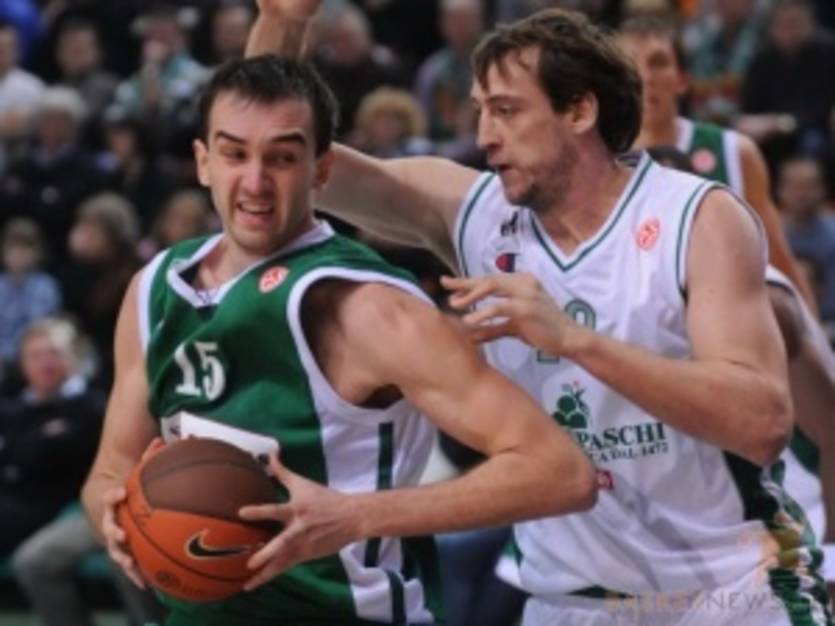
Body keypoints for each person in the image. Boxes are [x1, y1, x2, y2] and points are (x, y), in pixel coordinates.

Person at [250, 2, 835, 623]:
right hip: (569, 602)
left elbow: (760, 420)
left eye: (506, 110)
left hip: (734, 591)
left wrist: (575, 339)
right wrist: (284, 24)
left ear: (580, 111)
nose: (484, 135)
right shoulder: (476, 214)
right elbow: (292, 163)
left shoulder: (697, 217)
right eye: (480, 111)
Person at [81, 55, 596, 626]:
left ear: (322, 169)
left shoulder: (368, 307)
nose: (255, 182)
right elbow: (112, 468)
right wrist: (117, 518)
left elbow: (560, 472)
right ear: (204, 162)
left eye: (282, 158)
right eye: (234, 154)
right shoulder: (153, 288)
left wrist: (356, 515)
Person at [616, 12, 817, 311]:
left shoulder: (734, 151)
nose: (645, 76)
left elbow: (777, 258)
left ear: (682, 80)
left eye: (658, 62)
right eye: (630, 63)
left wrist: (812, 331)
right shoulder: (599, 158)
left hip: (723, 320)